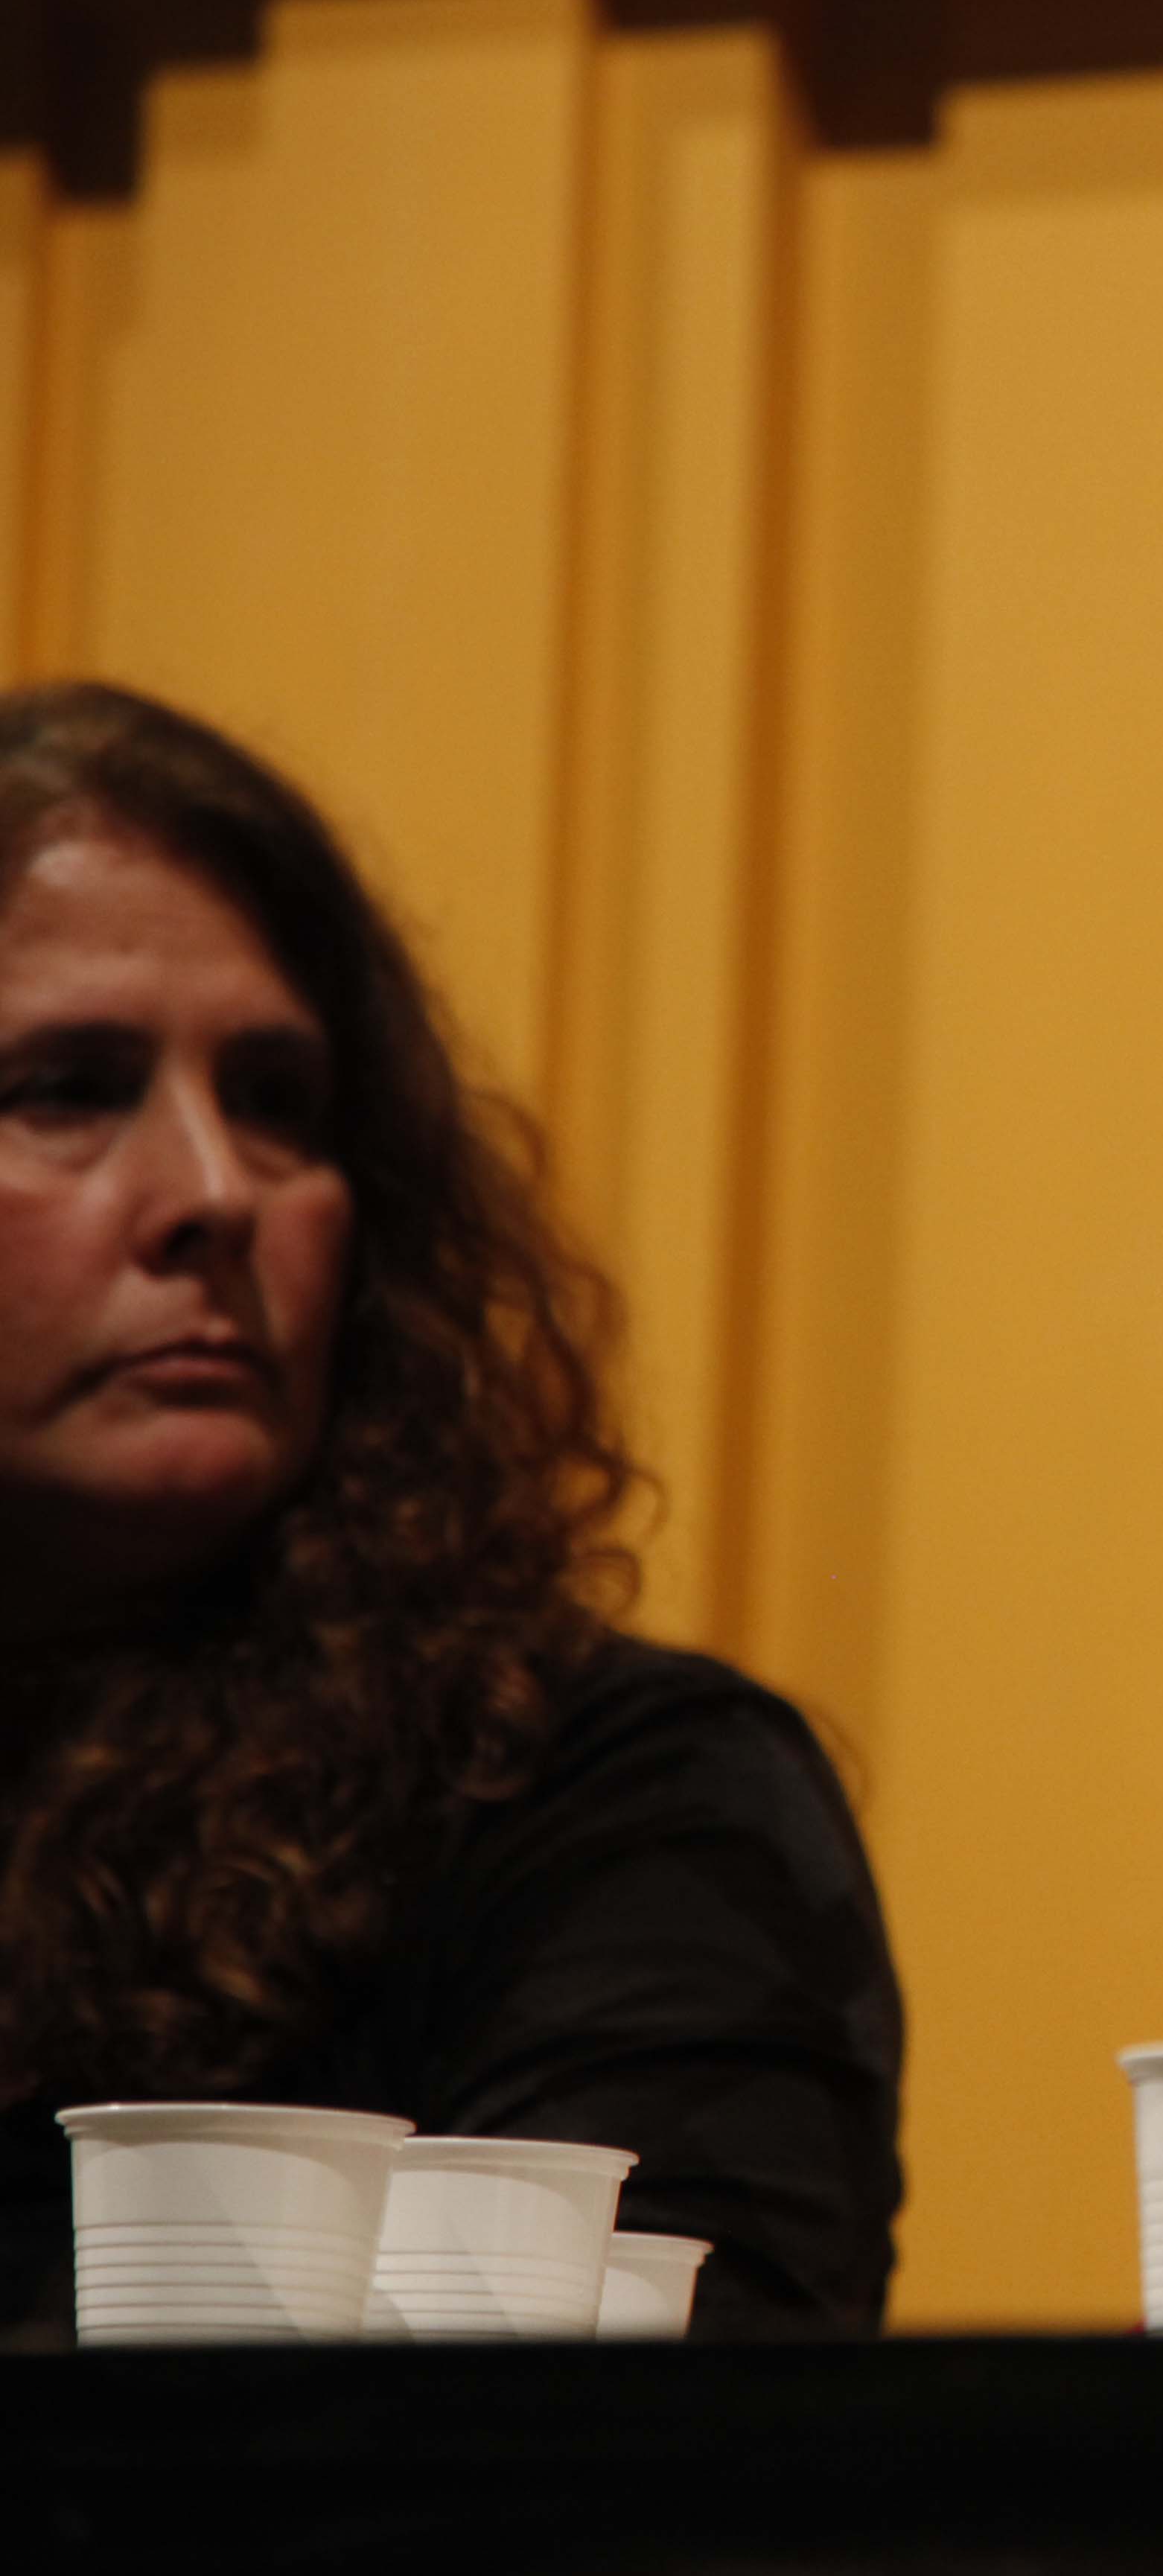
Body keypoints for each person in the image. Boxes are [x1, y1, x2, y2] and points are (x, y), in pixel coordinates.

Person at [0, 681, 900, 2340]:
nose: (214, 1192)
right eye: (66, 1085)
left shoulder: (614, 1799)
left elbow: (637, 2461)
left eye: (280, 1101)